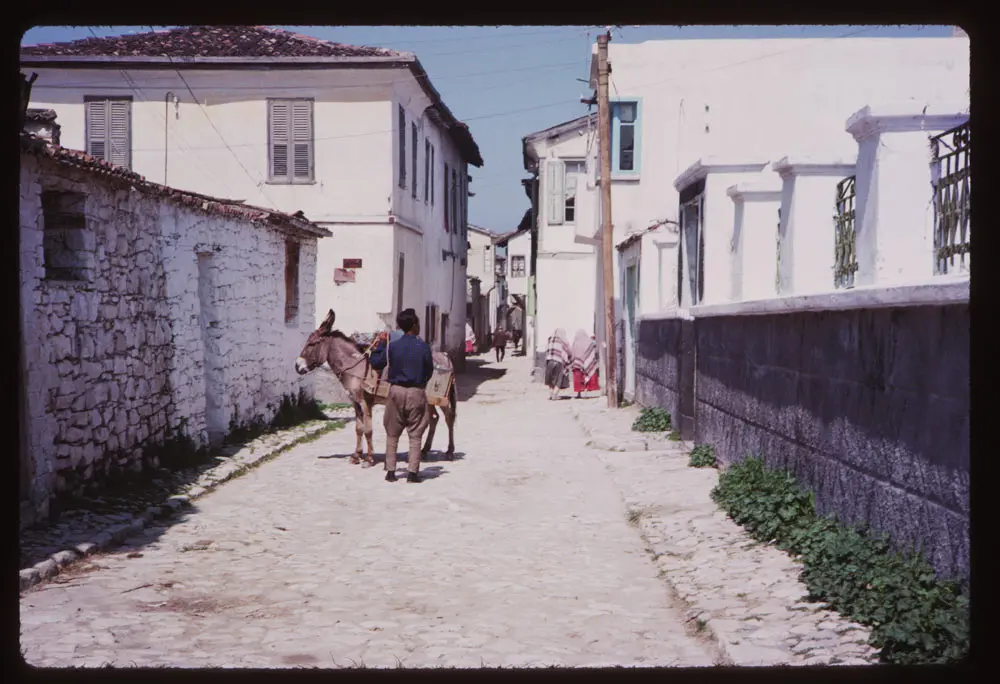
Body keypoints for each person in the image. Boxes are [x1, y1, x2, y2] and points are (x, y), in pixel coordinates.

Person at [370, 309, 434, 483]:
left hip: (395, 391)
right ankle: (412, 472)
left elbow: (376, 362)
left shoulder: (394, 346)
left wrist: (381, 344)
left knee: (392, 431)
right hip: (416, 391)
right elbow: (429, 370)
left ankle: (391, 471)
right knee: (415, 432)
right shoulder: (423, 346)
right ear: (414, 325)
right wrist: (420, 383)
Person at [571, 330, 600, 398]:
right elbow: (592, 351)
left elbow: (572, 352)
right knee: (586, 376)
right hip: (587, 362)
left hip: (577, 363)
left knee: (578, 379)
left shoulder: (575, 343)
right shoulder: (589, 342)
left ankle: (579, 394)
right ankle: (586, 392)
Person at [544, 328, 572, 400]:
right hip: (558, 361)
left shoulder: (550, 339)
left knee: (550, 379)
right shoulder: (563, 341)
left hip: (549, 360)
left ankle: (551, 393)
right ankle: (555, 394)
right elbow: (569, 351)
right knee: (558, 379)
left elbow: (546, 349)